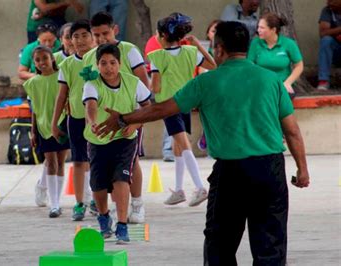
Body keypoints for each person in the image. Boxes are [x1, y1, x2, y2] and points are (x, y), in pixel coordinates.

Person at [96, 21, 310, 265]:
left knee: (220, 245)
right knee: (270, 245)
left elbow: (162, 108)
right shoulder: (271, 81)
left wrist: (124, 118)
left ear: (218, 49)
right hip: (270, 171)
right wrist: (302, 169)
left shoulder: (206, 82)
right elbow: (292, 131)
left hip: (231, 173)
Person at [83, 11, 149, 224]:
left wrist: (137, 118)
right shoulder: (92, 57)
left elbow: (142, 82)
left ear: (115, 30)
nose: (101, 39)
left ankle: (136, 205)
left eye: (105, 33)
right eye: (96, 35)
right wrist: (91, 119)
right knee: (103, 173)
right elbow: (90, 93)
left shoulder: (129, 50)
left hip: (130, 116)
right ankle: (112, 208)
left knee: (132, 161)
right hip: (103, 124)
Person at [147, 14, 216, 206]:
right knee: (178, 146)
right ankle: (178, 190)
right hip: (185, 102)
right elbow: (213, 65)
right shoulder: (190, 52)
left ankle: (199, 187)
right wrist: (197, 45)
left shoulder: (156, 57)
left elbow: (156, 87)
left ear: (162, 35)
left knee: (183, 145)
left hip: (168, 105)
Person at [52, 19, 95, 221]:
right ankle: (80, 203)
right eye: (74, 36)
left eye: (84, 35)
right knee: (79, 161)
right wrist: (54, 122)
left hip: (98, 119)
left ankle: (97, 198)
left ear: (92, 36)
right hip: (76, 118)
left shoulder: (101, 58)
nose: (79, 40)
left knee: (98, 161)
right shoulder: (67, 64)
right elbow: (62, 96)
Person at [25, 46, 70, 218]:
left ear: (52, 58)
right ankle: (54, 204)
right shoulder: (33, 83)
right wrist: (33, 130)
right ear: (34, 63)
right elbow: (35, 110)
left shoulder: (61, 78)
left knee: (61, 161)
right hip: (44, 127)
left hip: (62, 123)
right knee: (51, 162)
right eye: (38, 60)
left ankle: (56, 201)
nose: (42, 62)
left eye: (45, 58)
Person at [248, 13, 303, 98]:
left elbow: (299, 66)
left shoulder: (289, 44)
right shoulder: (255, 43)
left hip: (282, 85)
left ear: (273, 30)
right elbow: (249, 65)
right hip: (261, 85)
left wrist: (288, 83)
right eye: (258, 27)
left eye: (262, 28)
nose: (258, 30)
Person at [197, 19, 221, 152]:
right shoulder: (204, 50)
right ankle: (207, 134)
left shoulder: (226, 50)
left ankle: (207, 135)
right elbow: (202, 72)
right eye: (213, 31)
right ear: (208, 33)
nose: (215, 33)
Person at [317, 0, 341, 90]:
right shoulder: (327, 11)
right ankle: (323, 81)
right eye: (328, 0)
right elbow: (323, 33)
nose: (329, 3)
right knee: (326, 40)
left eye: (333, 0)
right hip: (336, 53)